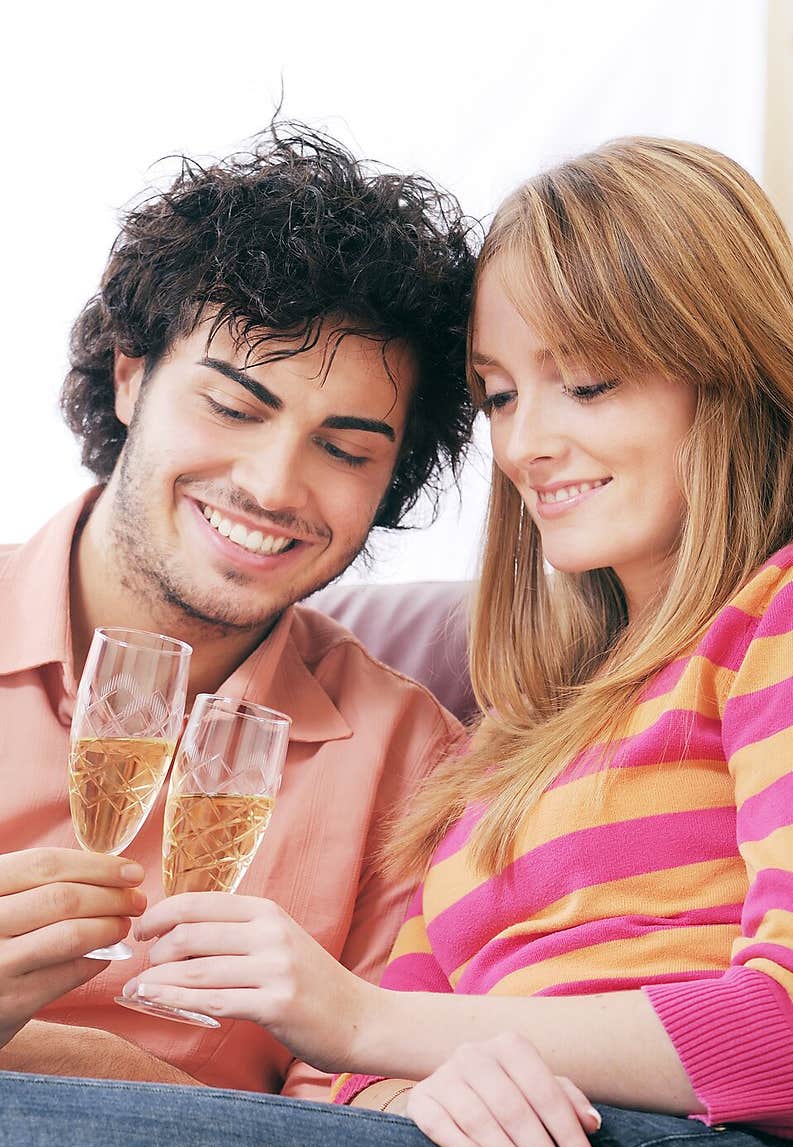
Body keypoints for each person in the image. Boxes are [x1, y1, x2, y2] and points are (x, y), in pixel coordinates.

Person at [3, 135, 793, 1147]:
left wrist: (382, 1030)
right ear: (126, 377)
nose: (524, 447)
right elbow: (348, 1081)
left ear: (725, 371)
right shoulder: (520, 736)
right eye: (501, 398)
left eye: (591, 382)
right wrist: (411, 1082)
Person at [0, 121, 476, 1096]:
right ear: (131, 376)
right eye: (232, 407)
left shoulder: (411, 763)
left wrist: (124, 1089)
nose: (271, 484)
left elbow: (368, 1117)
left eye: (344, 450)